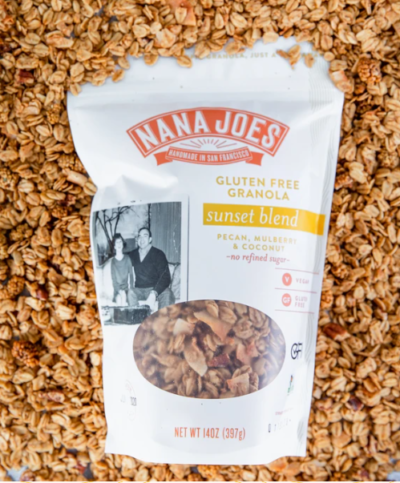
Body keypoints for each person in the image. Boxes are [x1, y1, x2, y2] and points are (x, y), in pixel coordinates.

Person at [130, 227, 175, 311]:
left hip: (155, 288)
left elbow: (165, 277)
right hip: (139, 290)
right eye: (139, 236)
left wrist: (154, 292)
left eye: (145, 236)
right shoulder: (132, 255)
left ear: (150, 239)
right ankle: (138, 317)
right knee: (130, 292)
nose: (141, 239)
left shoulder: (158, 254)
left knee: (167, 293)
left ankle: (162, 319)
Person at [110, 234, 135, 306]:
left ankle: (123, 312)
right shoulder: (113, 261)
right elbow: (114, 279)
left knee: (123, 295)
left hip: (126, 290)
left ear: (123, 244)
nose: (119, 244)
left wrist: (131, 289)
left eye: (120, 241)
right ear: (114, 246)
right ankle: (120, 313)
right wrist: (119, 291)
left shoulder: (127, 258)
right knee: (118, 298)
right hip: (117, 290)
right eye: (117, 242)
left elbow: (131, 275)